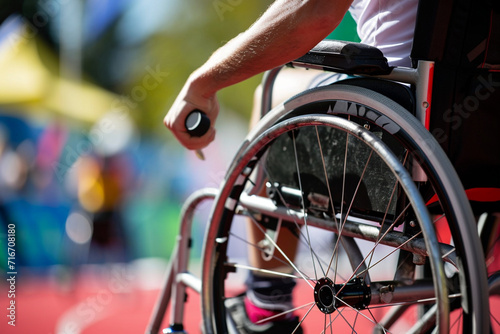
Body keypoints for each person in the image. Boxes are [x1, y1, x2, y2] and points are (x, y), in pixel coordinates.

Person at [165, 0, 419, 331]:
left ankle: (266, 306)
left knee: (272, 90)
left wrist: (204, 81)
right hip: (473, 142)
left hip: (397, 123)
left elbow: (315, 11)